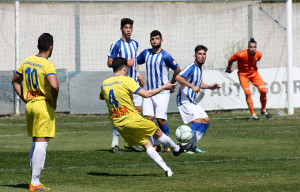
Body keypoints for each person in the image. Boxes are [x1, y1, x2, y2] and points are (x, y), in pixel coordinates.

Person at [100, 57, 192, 177]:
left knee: (146, 143)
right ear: (124, 68)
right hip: (131, 119)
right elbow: (146, 94)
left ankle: (167, 170)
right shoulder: (126, 80)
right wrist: (164, 87)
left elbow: (102, 97)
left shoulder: (105, 83)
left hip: (118, 124)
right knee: (157, 132)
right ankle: (176, 149)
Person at [12, 33, 59, 191]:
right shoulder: (47, 65)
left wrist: (25, 98)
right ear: (51, 47)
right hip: (42, 105)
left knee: (36, 141)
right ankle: (35, 182)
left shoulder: (27, 61)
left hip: (30, 105)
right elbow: (54, 86)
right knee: (41, 142)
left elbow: (15, 81)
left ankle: (35, 180)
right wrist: (54, 101)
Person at [137, 30, 181, 153]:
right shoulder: (146, 53)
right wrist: (138, 72)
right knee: (148, 119)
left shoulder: (165, 56)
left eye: (156, 39)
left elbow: (177, 69)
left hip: (162, 92)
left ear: (161, 40)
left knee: (160, 119)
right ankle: (156, 145)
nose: (154, 41)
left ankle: (167, 143)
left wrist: (171, 84)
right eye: (152, 39)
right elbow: (134, 61)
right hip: (149, 92)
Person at [107, 18, 144, 153]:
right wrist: (124, 63)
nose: (128, 30)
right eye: (126, 28)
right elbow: (110, 62)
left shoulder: (135, 44)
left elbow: (134, 61)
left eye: (130, 28)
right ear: (121, 29)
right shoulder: (116, 44)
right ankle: (114, 144)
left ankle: (131, 142)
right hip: (121, 84)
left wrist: (138, 73)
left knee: (137, 111)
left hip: (133, 82)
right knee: (121, 113)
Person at [176, 45, 221, 154]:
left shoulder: (199, 68)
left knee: (205, 121)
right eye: (200, 54)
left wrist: (210, 87)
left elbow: (198, 83)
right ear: (195, 56)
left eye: (204, 54)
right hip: (184, 99)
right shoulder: (191, 66)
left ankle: (192, 146)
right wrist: (191, 86)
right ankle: (183, 146)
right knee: (197, 121)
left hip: (191, 101)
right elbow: (178, 77)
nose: (202, 56)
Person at [226, 38, 272, 120]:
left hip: (254, 74)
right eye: (250, 47)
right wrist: (229, 68)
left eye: (254, 47)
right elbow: (231, 59)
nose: (252, 49)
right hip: (243, 75)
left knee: (263, 91)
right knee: (248, 93)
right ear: (248, 47)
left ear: (256, 48)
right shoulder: (241, 54)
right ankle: (253, 114)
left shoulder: (259, 54)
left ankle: (263, 110)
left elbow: (255, 61)